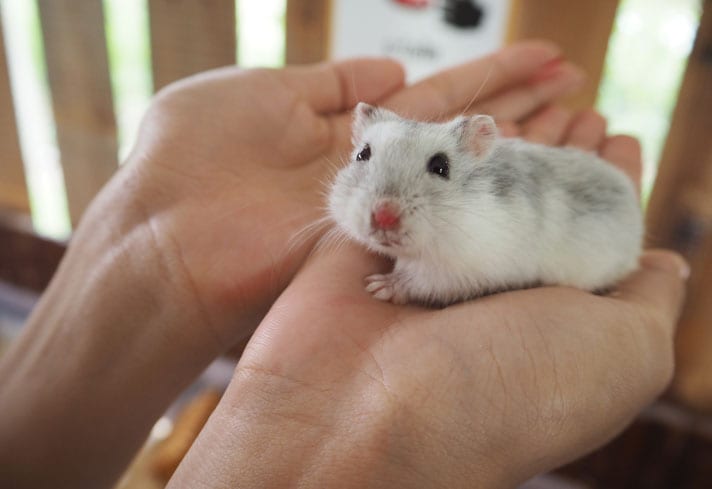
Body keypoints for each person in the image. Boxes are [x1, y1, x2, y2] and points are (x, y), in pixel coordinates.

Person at [0, 41, 687, 488]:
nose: (384, 214)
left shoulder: (502, 216)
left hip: (596, 231)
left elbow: (469, 273)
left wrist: (414, 280)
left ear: (476, 154)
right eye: (365, 161)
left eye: (436, 170)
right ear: (358, 142)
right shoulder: (379, 193)